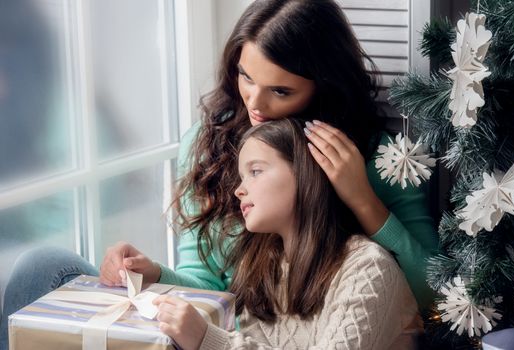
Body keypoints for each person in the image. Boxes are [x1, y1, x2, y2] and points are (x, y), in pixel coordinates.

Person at [0, 0, 438, 347]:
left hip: (243, 341)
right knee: (44, 267)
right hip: (213, 332)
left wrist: (361, 198)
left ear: (323, 86)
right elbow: (208, 287)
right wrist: (153, 272)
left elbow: (430, 299)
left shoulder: (373, 158)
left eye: (280, 90)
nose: (256, 103)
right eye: (245, 76)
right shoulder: (208, 142)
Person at [153, 118, 422, 349]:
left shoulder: (368, 267)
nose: (239, 190)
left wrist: (209, 340)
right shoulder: (262, 265)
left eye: (255, 171)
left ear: (305, 173)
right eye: (241, 176)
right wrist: (154, 275)